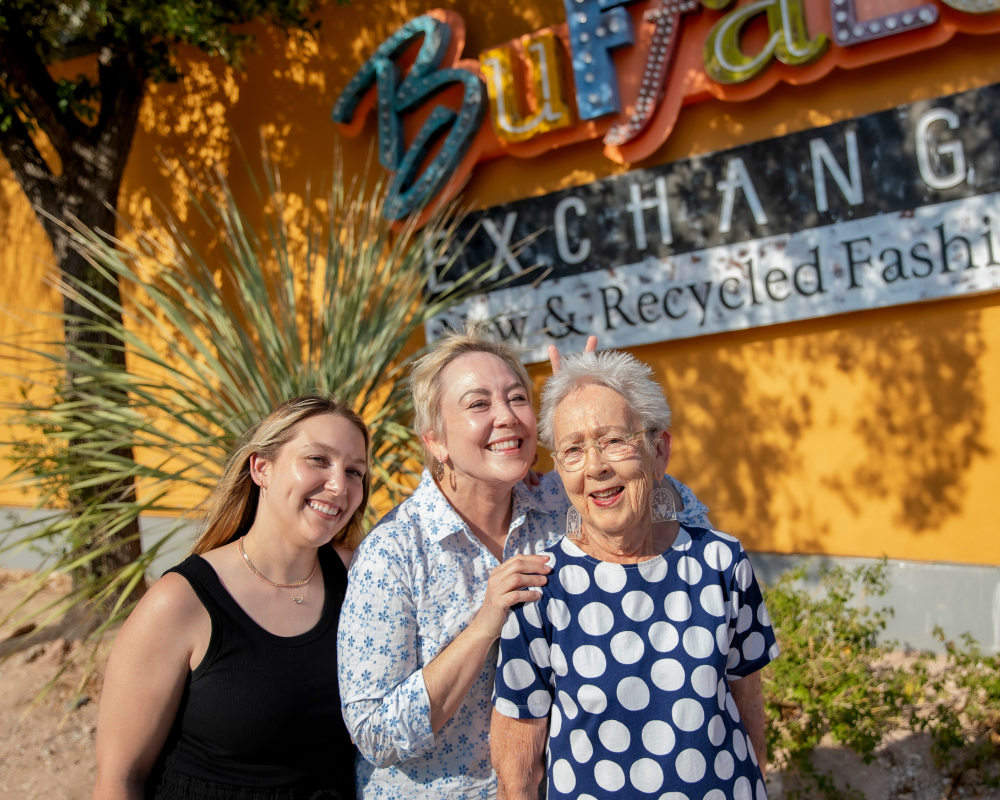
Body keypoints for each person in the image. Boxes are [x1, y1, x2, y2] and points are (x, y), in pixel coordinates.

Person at [337, 324, 714, 799]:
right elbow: (373, 735)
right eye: (478, 404)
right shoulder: (393, 553)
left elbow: (686, 517)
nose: (507, 417)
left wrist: (584, 425)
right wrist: (483, 626)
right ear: (435, 441)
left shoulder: (560, 503)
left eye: (517, 398)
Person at [490, 350, 778, 800]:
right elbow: (518, 764)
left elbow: (749, 707)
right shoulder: (540, 590)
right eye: (572, 450)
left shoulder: (721, 562)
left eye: (613, 441)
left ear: (659, 450)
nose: (595, 466)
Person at [93, 395, 370, 800]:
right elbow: (119, 779)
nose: (339, 485)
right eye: (317, 460)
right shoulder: (180, 602)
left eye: (355, 471)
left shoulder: (361, 579)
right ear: (261, 468)